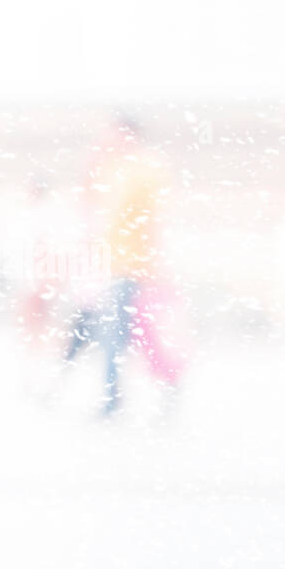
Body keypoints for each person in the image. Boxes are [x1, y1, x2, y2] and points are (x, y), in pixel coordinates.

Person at [64, 116, 183, 416]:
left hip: (135, 267)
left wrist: (157, 266)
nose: (107, 139)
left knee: (120, 335)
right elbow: (89, 208)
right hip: (116, 265)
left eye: (112, 133)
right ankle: (127, 394)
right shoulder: (114, 168)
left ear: (129, 134)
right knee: (122, 335)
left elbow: (156, 220)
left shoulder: (146, 168)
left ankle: (116, 398)